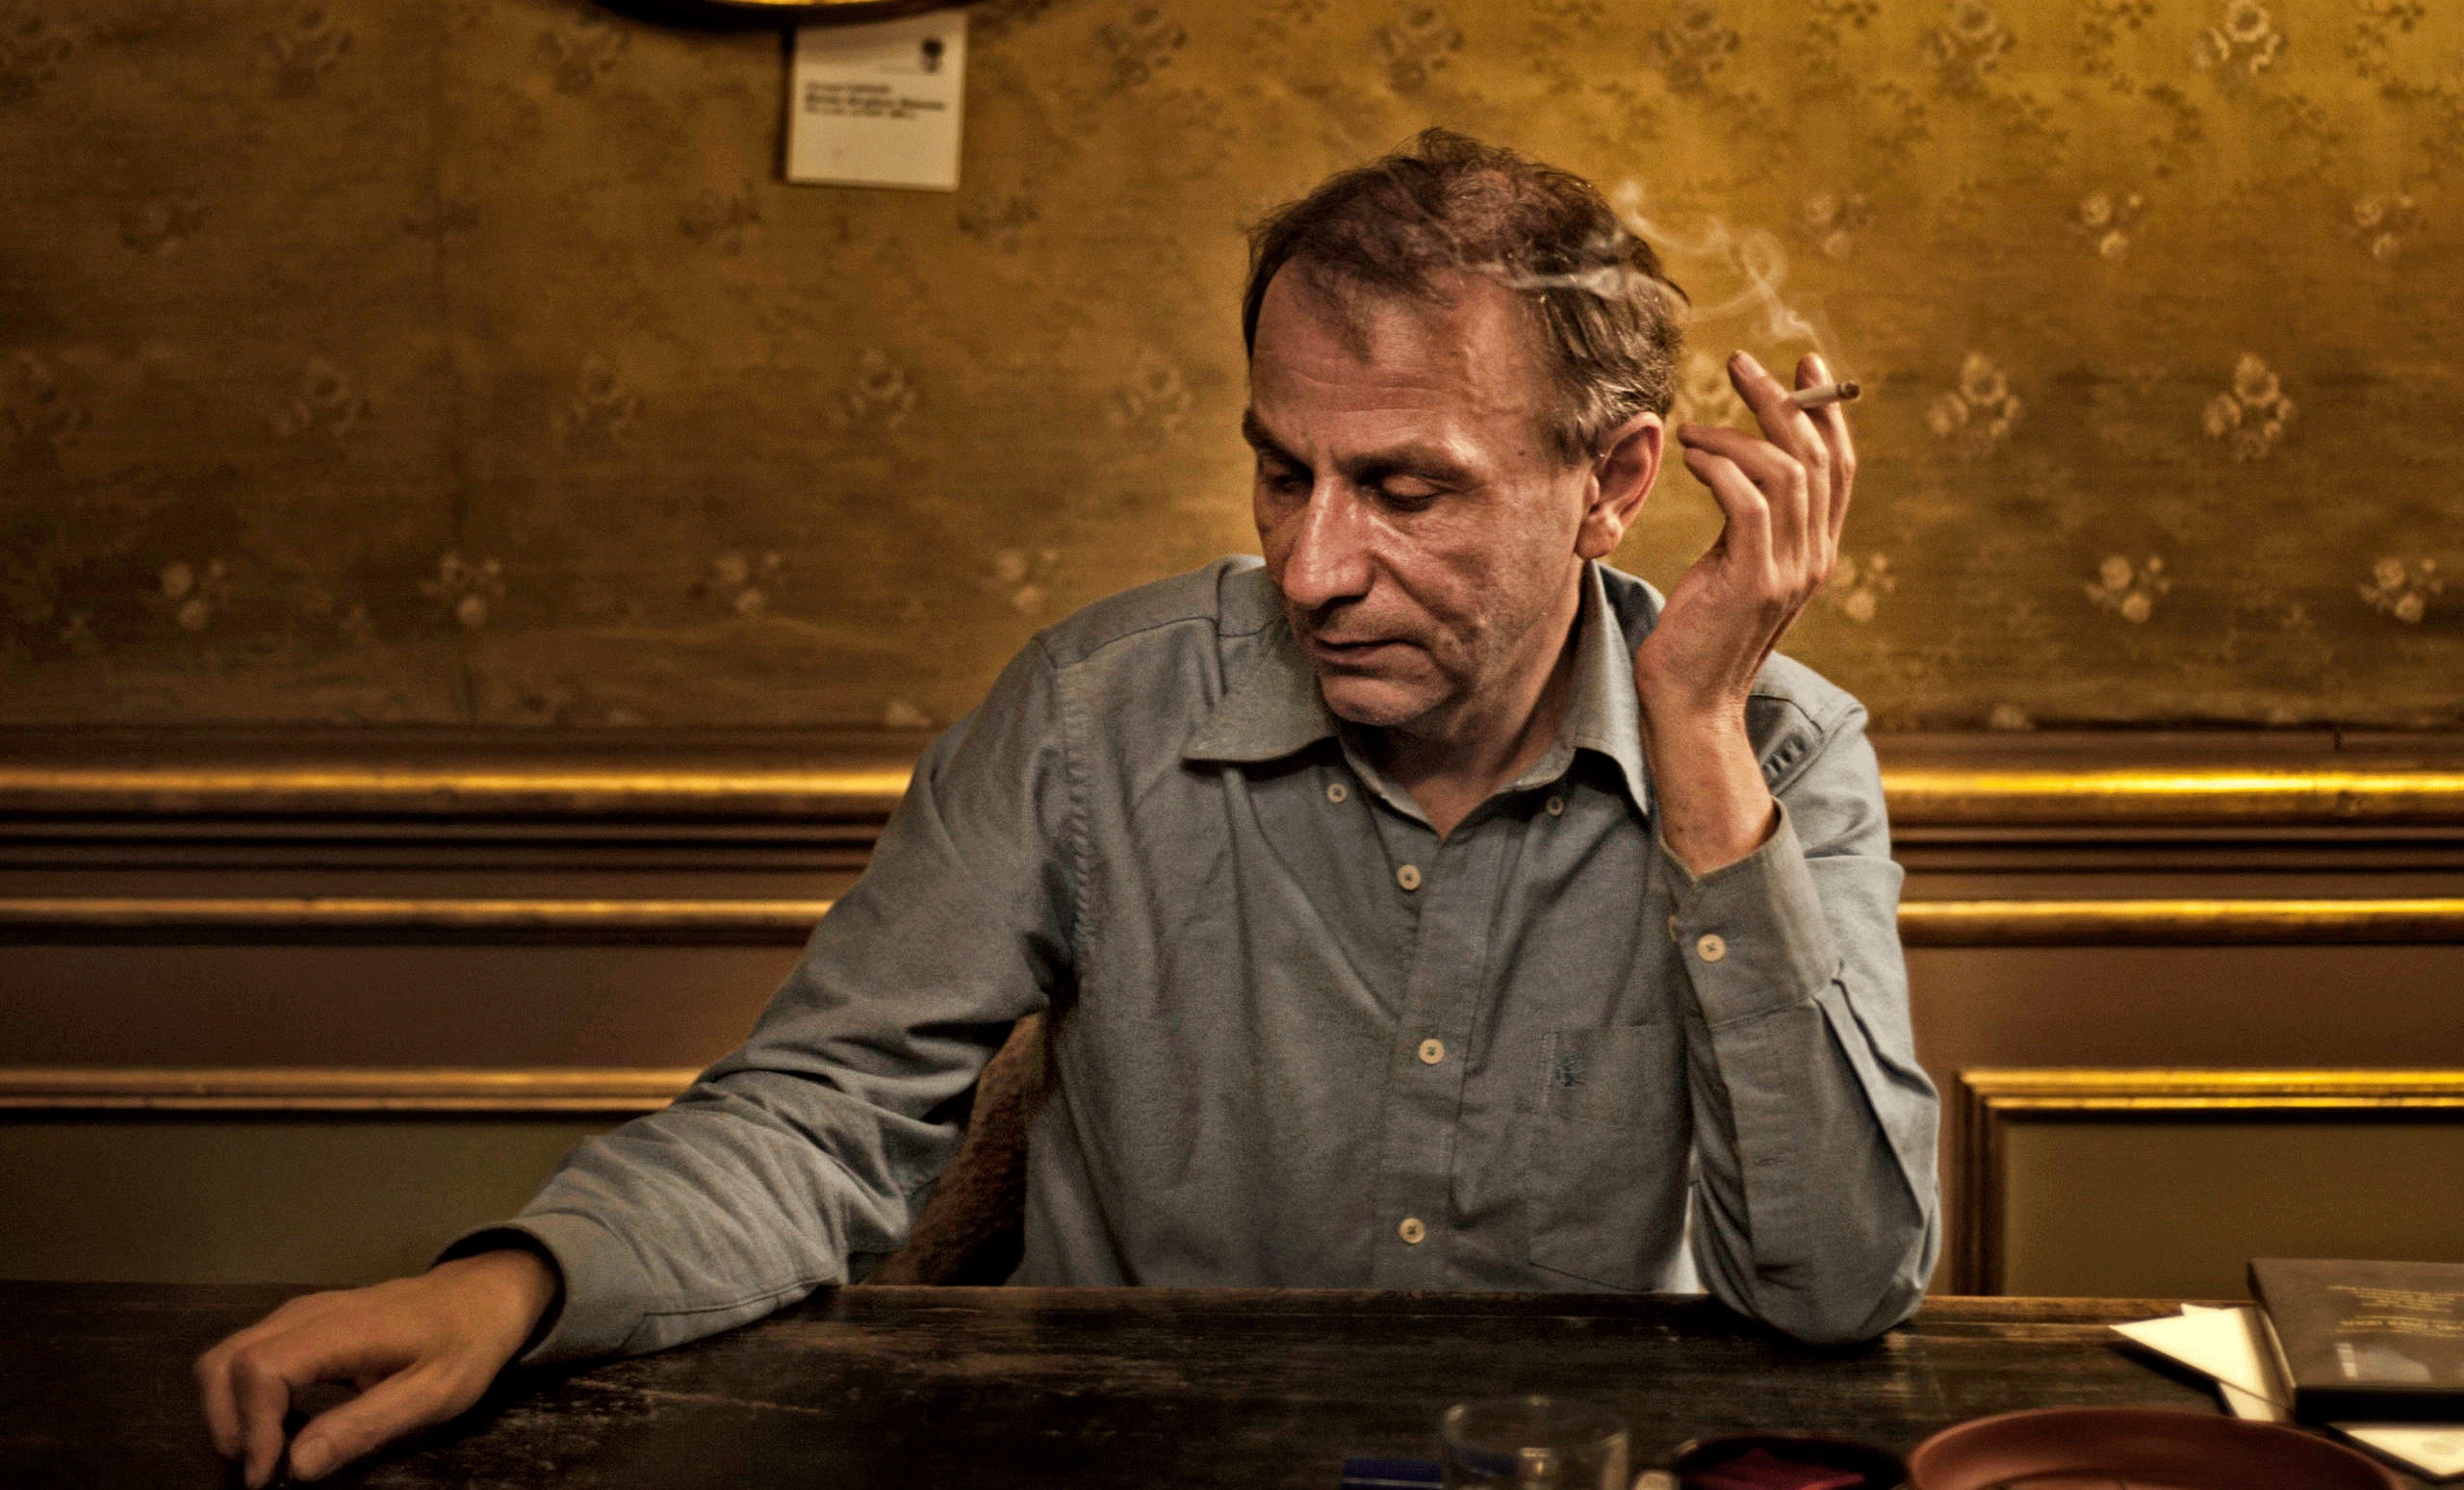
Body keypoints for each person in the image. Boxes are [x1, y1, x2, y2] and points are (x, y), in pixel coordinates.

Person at [194, 130, 1938, 1487]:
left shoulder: (1779, 759)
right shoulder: (1097, 711)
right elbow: (821, 1115)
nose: (1314, 567)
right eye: (1283, 472)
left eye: (1405, 490)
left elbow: (1839, 1284)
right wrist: (510, 1286)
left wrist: (1695, 738)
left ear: (1612, 482)